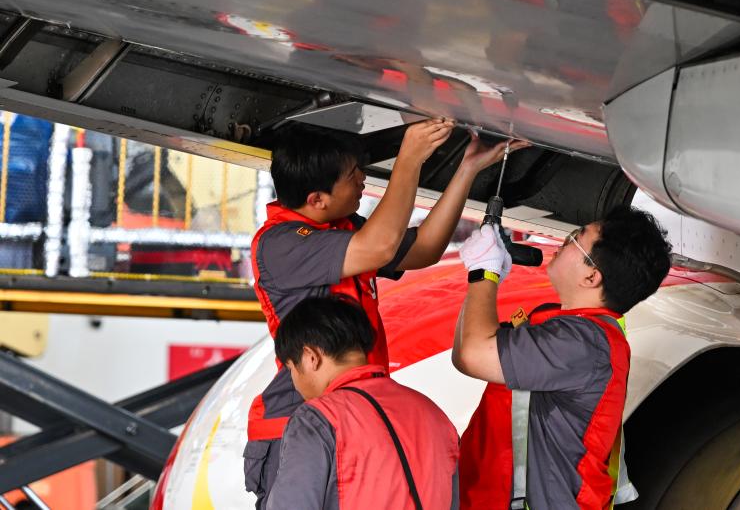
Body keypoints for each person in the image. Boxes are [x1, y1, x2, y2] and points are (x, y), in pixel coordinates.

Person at [245, 117, 512, 507]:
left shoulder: (341, 226)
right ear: (317, 199)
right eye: (353, 175)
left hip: (357, 411)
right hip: (299, 417)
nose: (363, 181)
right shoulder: (281, 244)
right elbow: (379, 247)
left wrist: (467, 169)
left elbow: (423, 249)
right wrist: (409, 158)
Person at [453, 207, 673, 510]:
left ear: (591, 276)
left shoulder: (580, 344)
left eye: (575, 239)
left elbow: (472, 355)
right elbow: (466, 352)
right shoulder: (578, 333)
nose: (563, 242)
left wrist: (484, 273)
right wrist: (487, 277)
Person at [267, 296, 459, 510]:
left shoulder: (316, 419)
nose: (295, 384)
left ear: (310, 357)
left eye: (291, 369)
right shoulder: (434, 414)